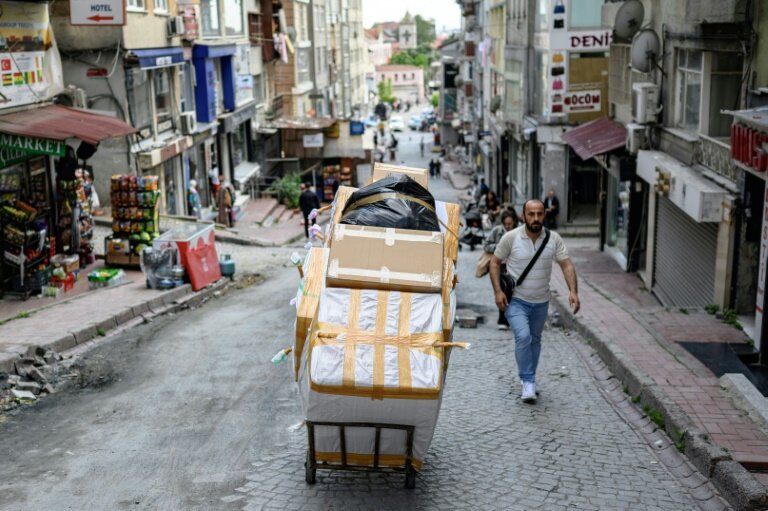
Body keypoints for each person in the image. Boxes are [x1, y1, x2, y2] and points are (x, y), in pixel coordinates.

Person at [489, 199, 580, 403]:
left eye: (539, 214)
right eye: (531, 214)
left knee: (535, 340)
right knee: (523, 337)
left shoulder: (553, 239)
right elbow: (494, 263)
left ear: (544, 215)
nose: (536, 218)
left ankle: (529, 377)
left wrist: (573, 291)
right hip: (516, 300)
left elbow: (566, 265)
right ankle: (528, 381)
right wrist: (497, 292)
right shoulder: (511, 238)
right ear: (523, 216)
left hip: (541, 301)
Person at [484, 209, 519, 330]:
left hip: (515, 266)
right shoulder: (497, 231)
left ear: (514, 222)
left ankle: (510, 318)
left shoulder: (520, 232)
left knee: (512, 291)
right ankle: (502, 319)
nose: (508, 227)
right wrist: (499, 247)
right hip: (499, 266)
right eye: (506, 224)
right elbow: (486, 245)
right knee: (502, 289)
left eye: (510, 224)